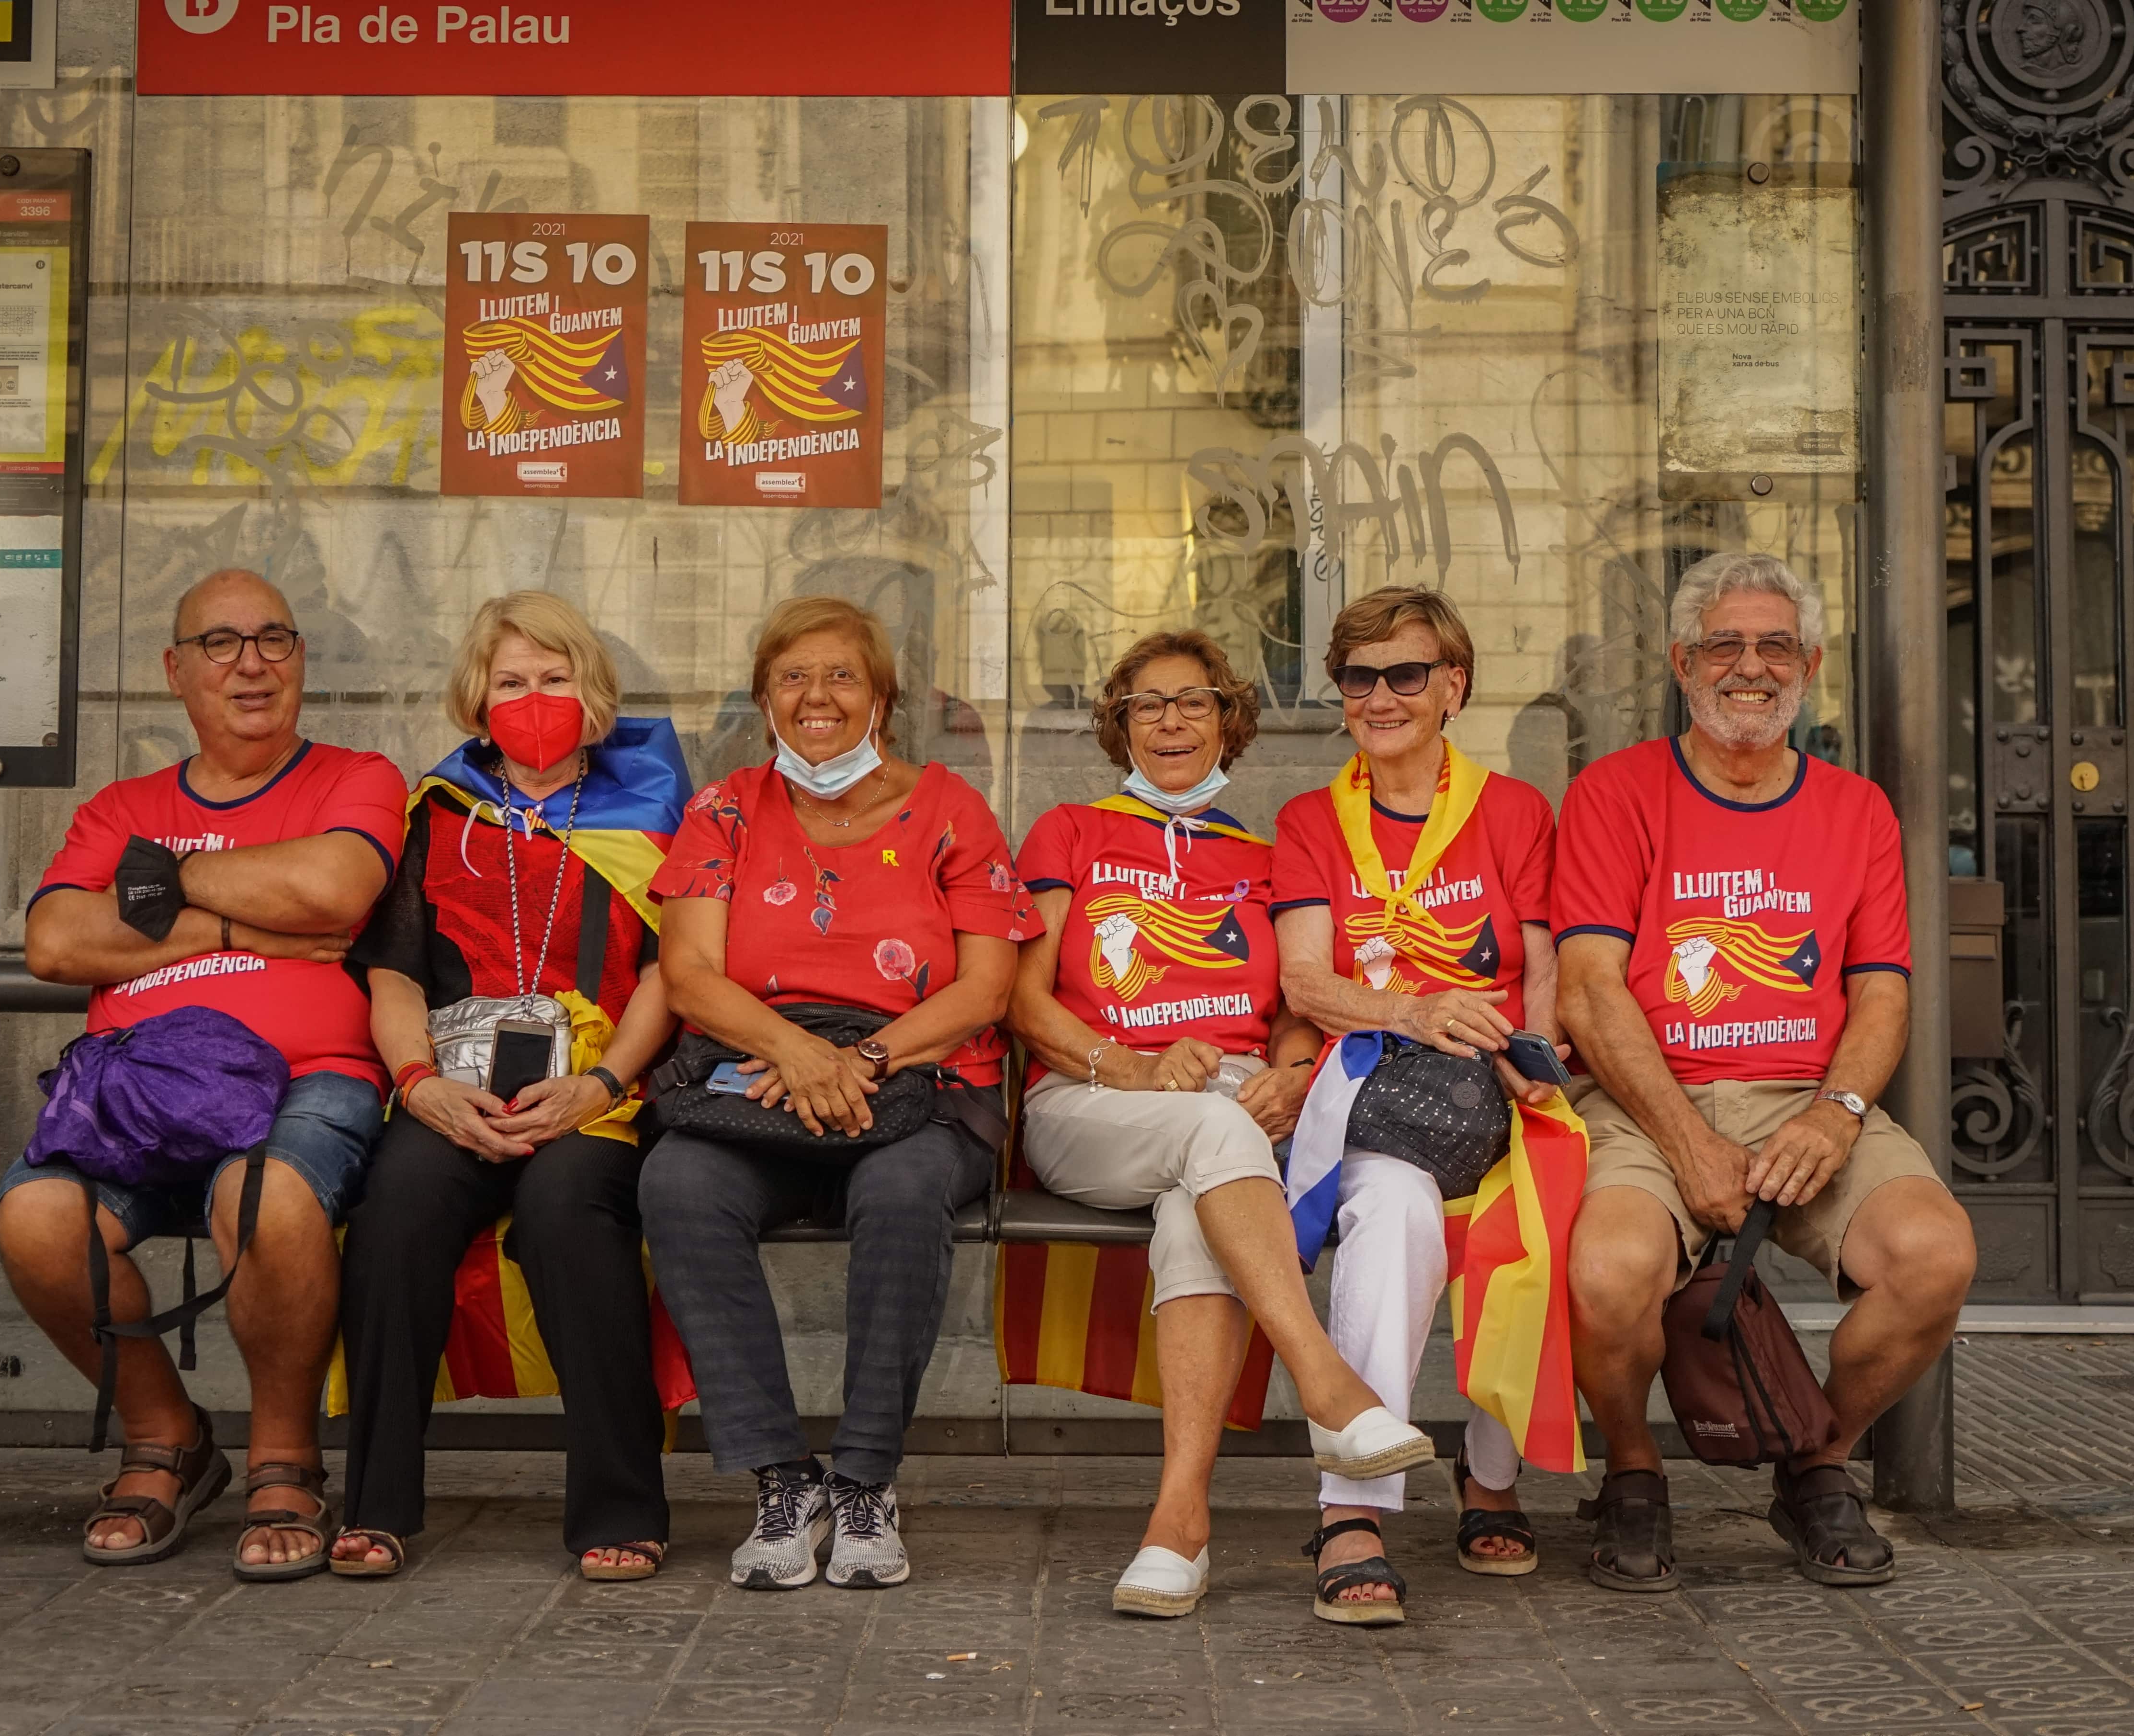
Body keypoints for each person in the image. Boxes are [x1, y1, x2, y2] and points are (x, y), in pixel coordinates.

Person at [1555, 550, 1976, 1593]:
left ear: (1811, 663)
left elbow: (1880, 991)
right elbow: (1588, 991)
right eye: (1722, 644)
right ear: (1679, 661)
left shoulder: (1856, 809)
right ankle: (1632, 1470)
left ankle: (1814, 1460)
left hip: (1807, 1096)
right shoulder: (1614, 793)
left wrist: (1836, 1117)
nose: (1749, 665)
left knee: (1934, 1256)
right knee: (1607, 1274)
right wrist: (1688, 1141)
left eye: (1773, 643)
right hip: (1647, 1101)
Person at [1009, 631, 1434, 1620]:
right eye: (1145, 704)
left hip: (1234, 1113)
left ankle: (1178, 1523)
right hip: (1089, 1096)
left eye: (1193, 701)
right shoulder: (1068, 831)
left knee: (1197, 1194)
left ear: (1228, 723)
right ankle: (1327, 1385)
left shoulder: (1264, 852)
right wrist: (1132, 1064)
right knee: (1208, 1134)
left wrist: (1290, 1073)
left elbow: (1293, 997)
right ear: (1118, 724)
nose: (1168, 720)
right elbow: (1024, 1003)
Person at [0, 569, 406, 1577]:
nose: (252, 662)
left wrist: (153, 885)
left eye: (274, 638)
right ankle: (168, 1436)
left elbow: (333, 883)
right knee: (35, 1219)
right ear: (175, 671)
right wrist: (228, 923)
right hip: (136, 1084)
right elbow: (54, 939)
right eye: (220, 644)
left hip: (309, 1074)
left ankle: (285, 1454)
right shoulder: (120, 805)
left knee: (262, 1194)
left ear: (302, 659)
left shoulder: (356, 779)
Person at [641, 596, 1036, 1592]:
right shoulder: (724, 809)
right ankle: (782, 1476)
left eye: (841, 676)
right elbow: (689, 975)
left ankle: (865, 1480)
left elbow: (985, 989)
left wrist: (859, 1064)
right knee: (681, 1185)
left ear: (883, 699)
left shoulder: (950, 807)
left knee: (899, 1196)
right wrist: (798, 1055)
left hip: (924, 1079)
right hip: (762, 1072)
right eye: (792, 677)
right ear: (764, 697)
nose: (816, 697)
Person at [328, 592, 690, 1581]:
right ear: (476, 696)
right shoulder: (438, 812)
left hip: (599, 1095)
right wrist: (419, 1085)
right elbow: (394, 970)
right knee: (396, 1207)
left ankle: (621, 1505)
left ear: (595, 690)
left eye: (556, 678)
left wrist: (608, 1082)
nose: (535, 698)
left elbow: (674, 971)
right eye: (512, 680)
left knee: (569, 1209)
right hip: (453, 1087)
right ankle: (375, 1503)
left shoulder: (661, 811)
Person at [1271, 586, 1566, 1622]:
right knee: (1392, 1215)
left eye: (1405, 674)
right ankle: (1350, 1510)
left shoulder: (1514, 809)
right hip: (1375, 1095)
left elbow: (1540, 968)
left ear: (1453, 686)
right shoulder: (1310, 819)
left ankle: (1489, 1472)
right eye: (1359, 677)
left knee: (1542, 1211)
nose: (1381, 696)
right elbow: (1303, 980)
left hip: (1501, 1089)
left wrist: (1539, 1058)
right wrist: (1411, 1007)